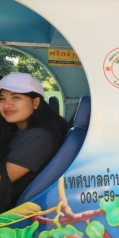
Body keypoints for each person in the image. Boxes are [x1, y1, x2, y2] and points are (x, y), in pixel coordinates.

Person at [0, 73, 69, 211]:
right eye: (2, 98)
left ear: (35, 102)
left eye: (16, 97)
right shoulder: (18, 132)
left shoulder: (38, 137)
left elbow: (3, 180)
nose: (7, 104)